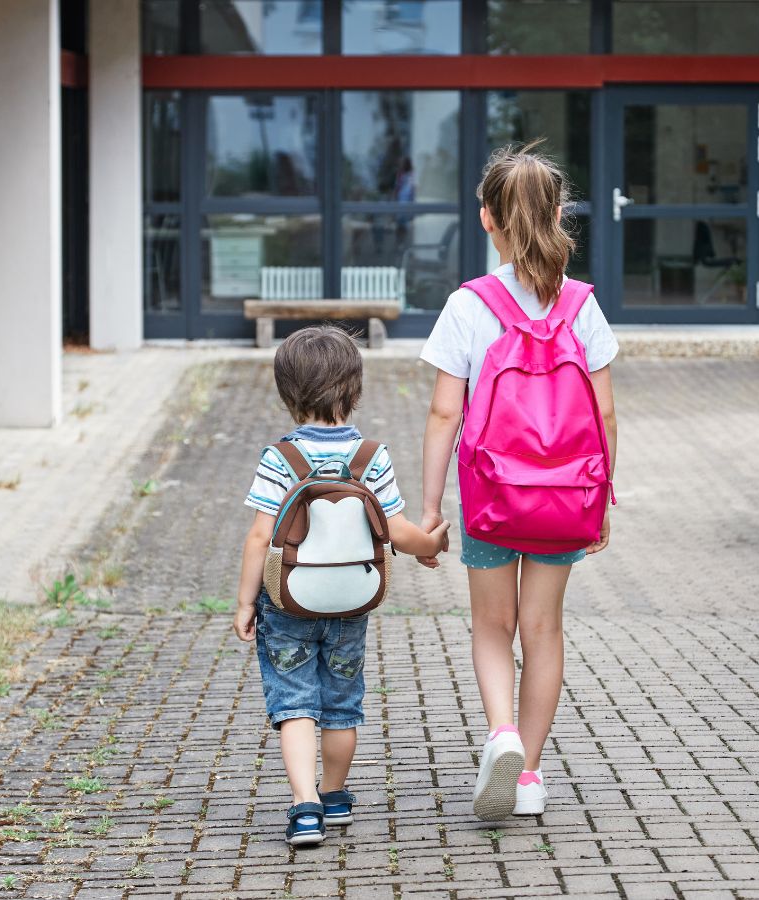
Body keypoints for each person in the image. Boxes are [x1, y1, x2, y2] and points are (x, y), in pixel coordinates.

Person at [418, 143, 619, 820]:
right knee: (544, 629)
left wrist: (428, 509)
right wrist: (602, 502)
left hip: (491, 499)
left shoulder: (469, 305)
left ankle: (500, 732)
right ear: (559, 214)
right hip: (567, 498)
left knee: (491, 624)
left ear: (487, 220)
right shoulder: (583, 306)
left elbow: (447, 410)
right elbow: (606, 412)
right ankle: (528, 775)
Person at [232, 325, 450, 847]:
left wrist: (245, 601)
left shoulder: (280, 459)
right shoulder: (371, 457)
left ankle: (304, 807)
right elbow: (394, 528)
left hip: (287, 602)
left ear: (288, 395)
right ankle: (334, 795)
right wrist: (429, 546)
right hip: (352, 601)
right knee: (341, 704)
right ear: (354, 390)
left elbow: (260, 536)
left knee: (295, 703)